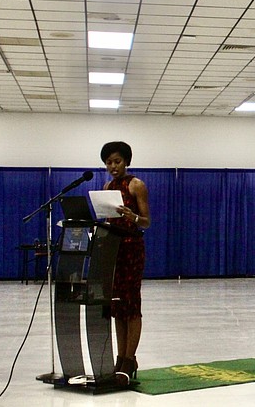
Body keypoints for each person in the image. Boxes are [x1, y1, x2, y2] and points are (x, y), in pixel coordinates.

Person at [100, 141, 150, 386]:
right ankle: (120, 358)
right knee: (117, 306)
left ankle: (130, 359)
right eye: (109, 162)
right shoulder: (107, 186)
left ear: (126, 161)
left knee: (131, 304)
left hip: (132, 248)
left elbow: (147, 222)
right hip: (113, 250)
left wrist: (134, 217)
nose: (113, 166)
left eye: (117, 161)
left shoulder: (136, 185)